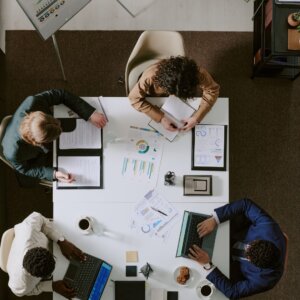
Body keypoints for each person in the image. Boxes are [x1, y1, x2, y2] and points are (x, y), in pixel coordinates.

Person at [1, 89, 107, 183]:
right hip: (40, 158)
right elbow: (25, 169)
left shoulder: (33, 103)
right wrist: (54, 174)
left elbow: (61, 94)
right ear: (36, 141)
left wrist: (89, 113)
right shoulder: (13, 152)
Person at [188, 198, 286, 299]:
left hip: (230, 265)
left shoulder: (265, 280)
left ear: (253, 263)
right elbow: (245, 204)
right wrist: (215, 219)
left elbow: (233, 293)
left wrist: (207, 265)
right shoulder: (269, 228)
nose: (246, 247)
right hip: (233, 233)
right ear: (259, 241)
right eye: (250, 245)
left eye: (247, 253)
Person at [128, 56, 220, 132]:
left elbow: (212, 90)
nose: (175, 97)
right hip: (154, 94)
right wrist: (160, 118)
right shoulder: (150, 76)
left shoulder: (198, 73)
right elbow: (134, 98)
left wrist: (197, 117)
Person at [6, 212, 85, 298]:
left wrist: (61, 241)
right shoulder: (21, 285)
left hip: (50, 242)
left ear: (39, 248)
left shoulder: (30, 230)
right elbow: (28, 291)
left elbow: (39, 217)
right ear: (33, 275)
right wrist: (52, 286)